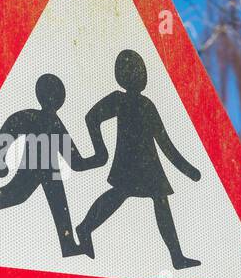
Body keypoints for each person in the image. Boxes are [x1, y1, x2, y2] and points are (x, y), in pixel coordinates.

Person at [76, 49, 202, 266]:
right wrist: (100, 150)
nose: (143, 76)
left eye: (142, 71)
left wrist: (188, 169)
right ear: (125, 76)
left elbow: (165, 142)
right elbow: (91, 117)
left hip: (148, 165)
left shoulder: (147, 104)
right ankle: (84, 228)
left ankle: (176, 257)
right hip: (130, 163)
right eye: (137, 71)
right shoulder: (120, 100)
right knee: (121, 195)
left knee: (153, 200)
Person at [0, 73, 95, 257]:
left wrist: (97, 160)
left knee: (57, 203)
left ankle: (68, 244)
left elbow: (74, 160)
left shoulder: (50, 121)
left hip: (50, 169)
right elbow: (8, 131)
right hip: (34, 166)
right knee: (19, 194)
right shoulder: (35, 117)